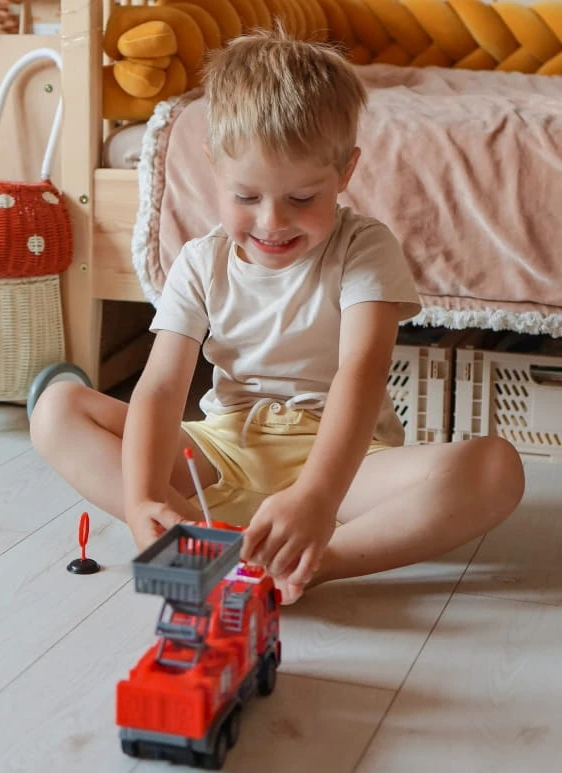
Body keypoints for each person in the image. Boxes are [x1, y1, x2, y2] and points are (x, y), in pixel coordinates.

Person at [31, 28, 525, 604]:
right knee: (56, 409)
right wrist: (143, 497)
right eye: (247, 198)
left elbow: (362, 371)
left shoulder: (364, 248)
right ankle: (195, 538)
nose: (271, 222)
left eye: (302, 199)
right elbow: (162, 388)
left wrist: (317, 496)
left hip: (344, 469)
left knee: (496, 467)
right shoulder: (201, 261)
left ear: (345, 173)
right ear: (214, 167)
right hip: (223, 452)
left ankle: (311, 562)